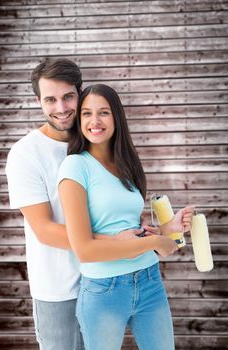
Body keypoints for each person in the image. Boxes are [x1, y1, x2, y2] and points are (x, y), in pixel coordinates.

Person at [5, 58, 159, 350]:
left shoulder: (96, 139)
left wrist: (152, 232)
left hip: (109, 280)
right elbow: (45, 230)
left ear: (80, 93)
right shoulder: (26, 153)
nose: (61, 108)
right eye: (50, 99)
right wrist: (115, 243)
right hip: (60, 288)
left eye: (67, 96)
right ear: (38, 101)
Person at [58, 84, 195, 350]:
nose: (94, 121)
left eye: (104, 113)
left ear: (116, 117)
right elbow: (84, 249)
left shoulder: (127, 164)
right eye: (86, 113)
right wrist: (155, 244)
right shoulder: (75, 166)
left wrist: (167, 229)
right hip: (103, 290)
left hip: (149, 281)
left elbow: (129, 230)